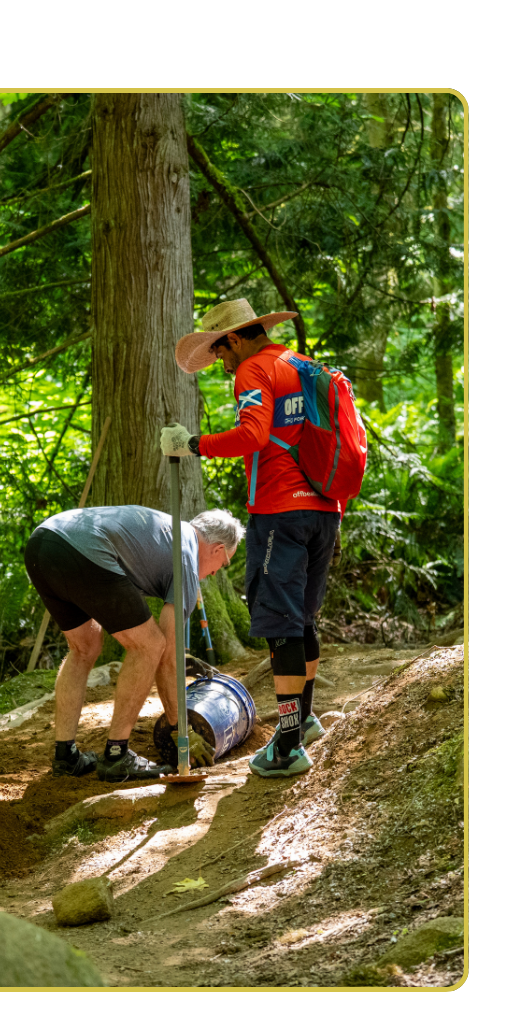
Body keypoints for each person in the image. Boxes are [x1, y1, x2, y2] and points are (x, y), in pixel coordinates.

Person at [163, 299, 341, 778]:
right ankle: (303, 722)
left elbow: (253, 435)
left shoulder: (253, 370)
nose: (221, 362)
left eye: (220, 351)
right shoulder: (302, 365)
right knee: (301, 618)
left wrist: (193, 444)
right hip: (325, 508)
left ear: (236, 338)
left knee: (281, 624)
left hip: (280, 510)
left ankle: (287, 748)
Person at [23, 506, 243, 781]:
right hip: (84, 549)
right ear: (218, 549)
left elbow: (170, 655)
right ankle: (116, 756)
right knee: (149, 645)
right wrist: (181, 729)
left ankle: (65, 756)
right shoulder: (186, 557)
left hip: (43, 543)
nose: (214, 574)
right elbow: (166, 656)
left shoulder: (171, 532)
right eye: (224, 564)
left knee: (84, 648)